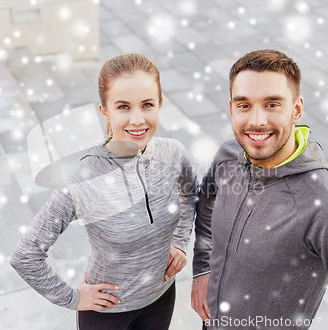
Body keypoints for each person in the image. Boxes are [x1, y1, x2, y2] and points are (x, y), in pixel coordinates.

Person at [191, 49, 328, 330]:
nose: (256, 120)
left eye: (272, 104)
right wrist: (202, 268)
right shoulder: (228, 156)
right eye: (244, 105)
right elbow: (206, 206)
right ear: (231, 109)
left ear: (296, 110)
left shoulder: (325, 205)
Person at [11, 53, 198, 330]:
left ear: (160, 104)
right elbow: (25, 256)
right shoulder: (84, 177)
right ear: (105, 112)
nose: (137, 120)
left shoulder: (173, 153)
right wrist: (72, 298)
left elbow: (192, 194)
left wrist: (180, 242)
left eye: (147, 105)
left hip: (160, 299)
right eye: (123, 107)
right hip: (106, 312)